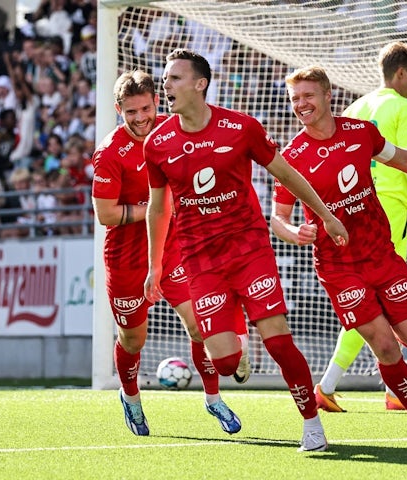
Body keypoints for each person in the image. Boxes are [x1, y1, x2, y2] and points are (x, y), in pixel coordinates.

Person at [143, 49, 349, 452]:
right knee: (223, 363)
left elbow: (287, 173)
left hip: (249, 250)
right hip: (201, 262)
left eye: (174, 78)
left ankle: (312, 424)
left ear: (200, 84)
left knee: (277, 340)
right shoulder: (157, 143)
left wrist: (325, 215)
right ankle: (235, 336)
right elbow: (156, 207)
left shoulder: (240, 127)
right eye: (165, 79)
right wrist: (154, 267)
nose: (165, 85)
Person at [272, 65, 407, 441]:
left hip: (382, 255)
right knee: (385, 345)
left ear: (326, 95)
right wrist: (294, 233)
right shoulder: (292, 156)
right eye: (295, 99)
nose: (301, 104)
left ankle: (382, 326)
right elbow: (279, 217)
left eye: (307, 96)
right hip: (339, 266)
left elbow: (403, 159)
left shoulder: (361, 132)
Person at [91, 70, 250, 438]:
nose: (140, 117)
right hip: (127, 259)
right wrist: (152, 208)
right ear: (119, 110)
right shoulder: (110, 153)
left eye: (145, 108)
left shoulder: (174, 132)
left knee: (200, 325)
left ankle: (213, 400)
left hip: (174, 249)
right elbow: (106, 214)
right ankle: (130, 397)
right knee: (133, 340)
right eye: (131, 111)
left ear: (156, 103)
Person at [315, 41, 407, 413]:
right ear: (401, 72)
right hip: (386, 211)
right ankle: (327, 385)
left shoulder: (356, 106)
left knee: (374, 304)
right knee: (382, 303)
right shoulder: (403, 107)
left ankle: (390, 391)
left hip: (352, 206)